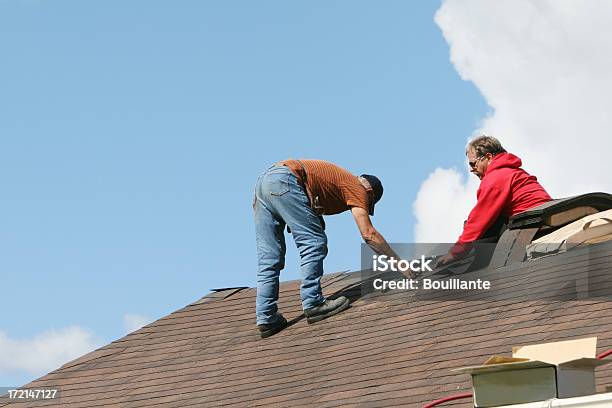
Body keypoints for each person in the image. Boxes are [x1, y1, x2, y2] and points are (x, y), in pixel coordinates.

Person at [254, 159, 400, 338]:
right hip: (286, 180)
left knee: (269, 258)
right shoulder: (358, 187)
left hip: (264, 183)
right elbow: (368, 234)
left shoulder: (336, 183)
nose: (360, 205)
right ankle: (313, 302)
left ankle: (266, 317)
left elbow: (309, 203)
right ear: (369, 192)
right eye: (367, 203)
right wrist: (400, 265)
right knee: (314, 242)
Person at [437, 136, 552, 266]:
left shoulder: (494, 179)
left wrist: (455, 253)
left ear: (489, 157)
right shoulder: (513, 171)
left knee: (482, 231)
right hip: (547, 216)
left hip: (532, 224)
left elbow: (478, 221)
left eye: (473, 163)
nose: (471, 169)